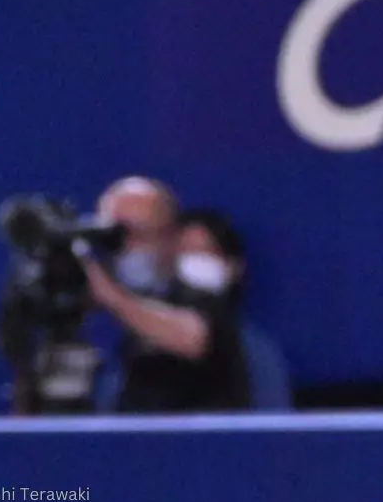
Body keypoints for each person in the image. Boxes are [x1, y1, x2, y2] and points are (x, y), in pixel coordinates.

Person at [76, 177, 252, 412]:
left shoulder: (200, 295)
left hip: (192, 444)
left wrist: (111, 296)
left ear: (170, 237)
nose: (128, 246)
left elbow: (193, 338)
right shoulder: (86, 300)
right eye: (116, 236)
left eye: (139, 233)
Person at [178, 208, 292, 409]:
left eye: (205, 252)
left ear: (234, 268)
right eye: (182, 253)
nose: (190, 264)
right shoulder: (139, 349)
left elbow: (271, 432)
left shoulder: (255, 354)